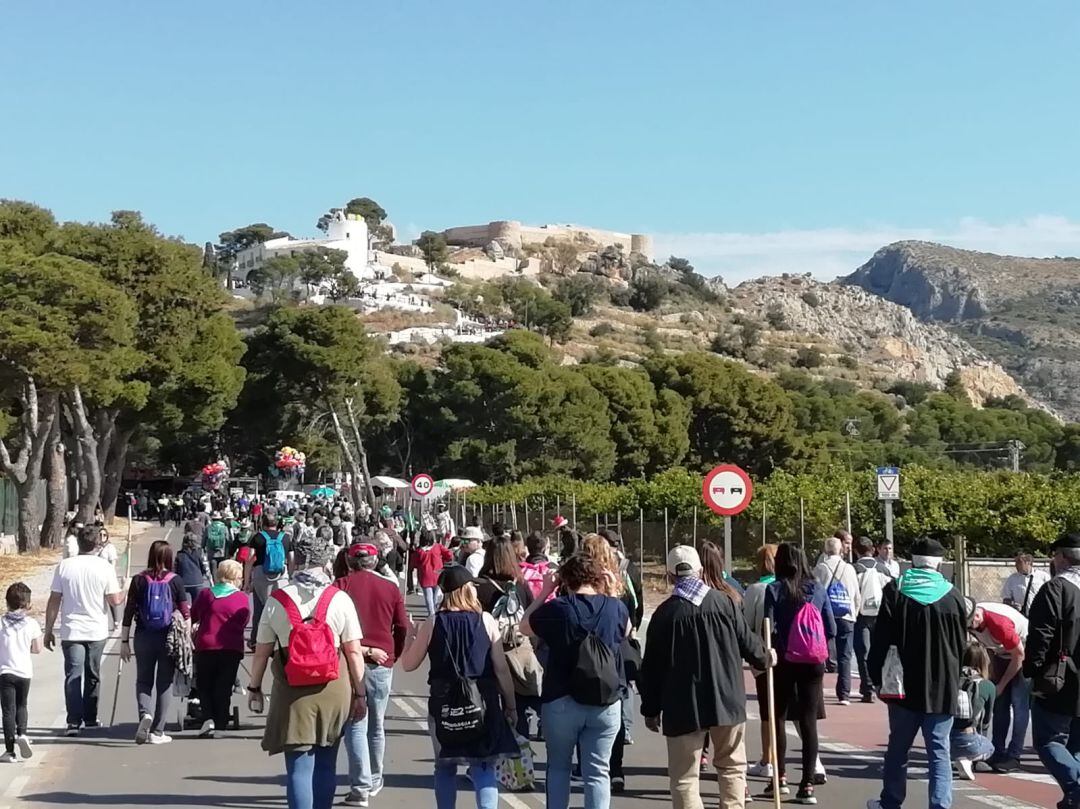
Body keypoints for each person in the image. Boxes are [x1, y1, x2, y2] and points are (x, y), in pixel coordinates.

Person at [641, 546, 771, 809]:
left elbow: (651, 669)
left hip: (683, 706)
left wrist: (651, 710)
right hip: (727, 699)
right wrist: (767, 658)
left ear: (670, 575)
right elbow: (750, 646)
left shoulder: (664, 615)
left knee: (685, 778)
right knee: (732, 767)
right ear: (700, 571)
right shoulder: (725, 603)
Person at [247, 530, 367, 809]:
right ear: (326, 562)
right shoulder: (339, 599)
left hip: (292, 690)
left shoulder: (278, 599)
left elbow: (262, 651)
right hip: (333, 687)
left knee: (298, 768)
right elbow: (353, 651)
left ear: (296, 561)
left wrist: (255, 687)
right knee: (326, 763)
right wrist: (360, 694)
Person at [400, 565, 518, 809]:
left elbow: (408, 664)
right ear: (465, 590)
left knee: (445, 766)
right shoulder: (486, 620)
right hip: (482, 702)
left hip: (443, 703)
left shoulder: (433, 622)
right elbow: (501, 668)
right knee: (483, 765)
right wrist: (510, 705)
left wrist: (410, 636)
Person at [866, 538, 967, 809]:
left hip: (903, 684)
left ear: (911, 561)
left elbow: (880, 640)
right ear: (939, 564)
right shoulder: (953, 596)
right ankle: (940, 805)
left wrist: (875, 676)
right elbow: (962, 644)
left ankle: (890, 802)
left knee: (898, 748)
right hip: (943, 684)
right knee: (939, 751)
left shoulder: (896, 591)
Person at [522, 554, 628, 809]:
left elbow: (524, 626)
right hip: (605, 700)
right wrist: (612, 592)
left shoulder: (558, 608)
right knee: (598, 771)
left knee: (559, 767)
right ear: (598, 578)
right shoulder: (614, 607)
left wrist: (545, 591)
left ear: (565, 580)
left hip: (561, 699)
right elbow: (625, 631)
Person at [335, 543, 410, 806]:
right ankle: (375, 777)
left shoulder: (341, 586)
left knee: (355, 723)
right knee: (376, 725)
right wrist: (393, 654)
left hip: (348, 660)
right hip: (380, 661)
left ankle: (361, 784)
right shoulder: (390, 587)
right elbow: (402, 626)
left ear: (349, 560)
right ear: (376, 561)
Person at [765, 543, 835, 804]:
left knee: (779, 717)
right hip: (813, 660)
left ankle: (780, 777)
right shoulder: (817, 588)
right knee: (808, 721)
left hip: (785, 658)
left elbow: (767, 626)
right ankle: (807, 785)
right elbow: (831, 627)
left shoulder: (775, 589)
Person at [44, 526, 125, 736]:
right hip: (96, 629)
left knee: (73, 674)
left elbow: (54, 599)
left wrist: (49, 629)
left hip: (72, 630)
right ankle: (89, 718)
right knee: (93, 674)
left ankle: (74, 721)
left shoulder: (64, 566)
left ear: (78, 543)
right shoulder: (104, 567)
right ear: (97, 544)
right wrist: (124, 588)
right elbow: (115, 600)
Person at [1025, 531, 1080, 809]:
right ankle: (1073, 798)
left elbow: (1040, 635)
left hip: (1060, 676)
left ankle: (1076, 790)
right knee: (1076, 745)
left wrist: (1032, 669)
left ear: (1062, 557)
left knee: (1049, 740)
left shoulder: (1056, 589)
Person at [121, 540, 190, 744]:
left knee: (143, 680)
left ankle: (145, 714)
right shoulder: (175, 580)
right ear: (169, 557)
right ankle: (158, 731)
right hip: (168, 637)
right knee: (164, 682)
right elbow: (185, 612)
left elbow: (128, 612)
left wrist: (124, 640)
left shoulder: (138, 580)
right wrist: (187, 639)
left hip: (143, 635)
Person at [966, 598, 1029, 771]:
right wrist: (991, 676)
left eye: (970, 624)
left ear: (977, 616)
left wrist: (1001, 684)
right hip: (1000, 652)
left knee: (1019, 704)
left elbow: (1019, 656)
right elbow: (986, 647)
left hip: (1023, 652)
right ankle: (997, 750)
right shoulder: (971, 623)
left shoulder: (999, 623)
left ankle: (1014, 755)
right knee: (999, 704)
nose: (970, 628)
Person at [191, 560, 250, 739]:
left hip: (206, 645)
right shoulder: (242, 598)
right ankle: (221, 725)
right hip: (231, 647)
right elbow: (244, 620)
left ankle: (208, 717)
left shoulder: (206, 594)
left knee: (204, 685)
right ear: (235, 577)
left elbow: (194, 615)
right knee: (224, 686)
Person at [742, 543, 777, 780]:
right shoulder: (791, 586)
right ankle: (813, 763)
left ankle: (768, 759)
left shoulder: (755, 590)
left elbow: (747, 625)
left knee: (768, 710)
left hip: (765, 655)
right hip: (793, 656)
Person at [813, 536, 861, 706]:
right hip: (846, 616)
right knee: (845, 656)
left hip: (825, 616)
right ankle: (844, 694)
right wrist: (854, 613)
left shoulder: (820, 568)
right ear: (840, 550)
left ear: (826, 550)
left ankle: (817, 692)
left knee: (820, 654)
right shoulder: (849, 569)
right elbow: (856, 594)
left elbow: (814, 592)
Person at [0, 583, 42, 763]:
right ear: (28, 604)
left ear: (6, 602)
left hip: (5, 672)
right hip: (24, 672)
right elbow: (37, 648)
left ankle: (10, 751)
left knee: (8, 710)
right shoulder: (31, 624)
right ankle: (23, 734)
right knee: (22, 705)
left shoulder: (1, 623)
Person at [243, 514, 294, 649]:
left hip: (261, 575)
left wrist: (247, 581)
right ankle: (282, 640)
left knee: (260, 609)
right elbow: (291, 558)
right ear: (277, 523)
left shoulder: (257, 537)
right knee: (281, 607)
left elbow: (250, 559)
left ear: (263, 523)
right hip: (281, 576)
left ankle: (255, 640)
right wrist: (290, 575)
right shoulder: (285, 537)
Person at [853, 537, 891, 703]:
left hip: (861, 615)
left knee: (863, 652)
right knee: (880, 650)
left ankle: (868, 689)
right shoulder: (883, 570)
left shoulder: (854, 569)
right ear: (874, 550)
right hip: (880, 615)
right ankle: (879, 684)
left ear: (856, 551)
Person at [952, 641, 996, 781]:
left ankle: (954, 757)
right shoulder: (988, 686)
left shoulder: (951, 680)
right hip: (968, 739)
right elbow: (986, 721)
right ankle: (967, 759)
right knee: (990, 748)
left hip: (944, 738)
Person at [415, 531, 453, 618]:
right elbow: (449, 554)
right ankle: (434, 611)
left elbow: (415, 563)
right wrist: (444, 561)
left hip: (425, 575)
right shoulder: (437, 546)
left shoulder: (419, 551)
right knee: (435, 595)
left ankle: (431, 614)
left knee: (428, 596)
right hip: (437, 573)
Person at [1003, 552, 1051, 617]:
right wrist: (1013, 605)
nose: (1016, 565)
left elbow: (1050, 596)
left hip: (1040, 616)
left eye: (1019, 562)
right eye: (1015, 562)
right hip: (1020, 616)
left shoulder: (1043, 577)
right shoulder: (1012, 579)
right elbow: (1006, 599)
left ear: (1028, 562)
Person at [175, 531, 212, 603]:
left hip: (184, 583)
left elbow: (176, 570)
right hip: (198, 582)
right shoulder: (200, 552)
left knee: (186, 605)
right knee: (197, 605)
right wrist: (210, 580)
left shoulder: (179, 554)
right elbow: (205, 567)